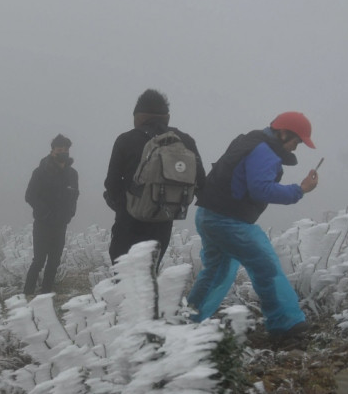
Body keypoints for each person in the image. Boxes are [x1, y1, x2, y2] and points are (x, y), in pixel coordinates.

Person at [186, 111, 319, 341]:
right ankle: (287, 328)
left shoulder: (251, 142)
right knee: (266, 264)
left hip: (209, 215)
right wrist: (300, 190)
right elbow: (261, 189)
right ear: (283, 132)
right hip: (228, 221)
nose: (296, 148)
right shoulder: (264, 150)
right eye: (296, 142)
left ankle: (186, 324)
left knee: (217, 272)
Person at [104, 89, 205, 265]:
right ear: (166, 116)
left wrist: (123, 207)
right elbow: (201, 182)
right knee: (150, 275)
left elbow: (111, 184)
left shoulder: (126, 140)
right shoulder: (185, 141)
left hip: (129, 222)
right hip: (163, 221)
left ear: (138, 116)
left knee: (124, 277)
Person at [23, 134, 79, 296]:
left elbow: (74, 196)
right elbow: (30, 196)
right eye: (60, 149)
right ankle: (27, 294)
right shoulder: (40, 172)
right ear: (52, 151)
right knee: (39, 260)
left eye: (66, 150)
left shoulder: (72, 174)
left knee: (54, 261)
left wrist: (69, 215)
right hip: (43, 223)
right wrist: (45, 214)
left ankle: (46, 294)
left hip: (61, 224)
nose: (63, 152)